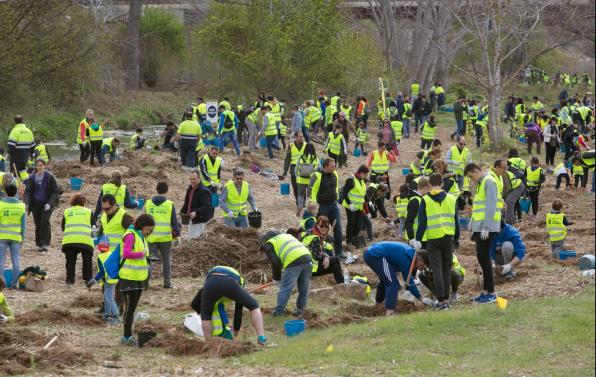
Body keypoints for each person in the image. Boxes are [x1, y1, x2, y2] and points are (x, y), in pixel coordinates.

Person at [411, 173, 459, 310]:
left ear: (430, 185)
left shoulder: (425, 200)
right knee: (446, 269)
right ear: (442, 184)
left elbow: (422, 222)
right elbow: (456, 221)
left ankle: (440, 300)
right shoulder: (451, 198)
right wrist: (457, 239)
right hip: (448, 237)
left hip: (433, 238)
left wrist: (418, 239)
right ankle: (447, 299)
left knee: (437, 269)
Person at [190, 266, 267, 344]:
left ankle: (209, 344)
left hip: (210, 282)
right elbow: (238, 312)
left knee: (206, 316)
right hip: (228, 282)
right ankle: (261, 337)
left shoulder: (206, 286)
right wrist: (235, 336)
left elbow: (196, 304)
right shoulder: (240, 282)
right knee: (253, 306)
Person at [464, 163, 501, 304]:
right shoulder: (481, 183)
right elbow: (479, 206)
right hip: (480, 228)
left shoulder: (488, 182)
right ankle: (486, 291)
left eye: (471, 176)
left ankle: (491, 292)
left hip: (486, 229)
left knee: (485, 260)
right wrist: (473, 223)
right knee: (481, 258)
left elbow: (491, 206)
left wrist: (487, 227)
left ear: (476, 171)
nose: (471, 179)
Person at [119, 214, 155, 346]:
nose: (149, 232)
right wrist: (141, 254)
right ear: (142, 225)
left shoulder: (141, 236)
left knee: (132, 308)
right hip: (129, 277)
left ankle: (128, 334)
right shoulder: (130, 235)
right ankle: (126, 337)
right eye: (148, 229)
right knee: (130, 308)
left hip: (139, 277)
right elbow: (126, 253)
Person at [364, 241, 424, 316]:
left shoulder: (410, 254)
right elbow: (409, 283)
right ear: (419, 259)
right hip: (376, 254)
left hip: (372, 252)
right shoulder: (407, 259)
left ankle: (378, 304)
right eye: (421, 265)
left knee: (385, 280)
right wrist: (421, 298)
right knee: (392, 283)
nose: (420, 268)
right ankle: (390, 312)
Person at [261, 231, 312, 317]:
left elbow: (275, 263)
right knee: (303, 287)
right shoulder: (285, 236)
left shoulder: (269, 244)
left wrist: (276, 278)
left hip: (294, 260)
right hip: (307, 257)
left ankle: (278, 312)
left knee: (285, 288)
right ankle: (301, 309)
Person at [146, 182, 180, 289]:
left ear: (156, 190)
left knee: (150, 260)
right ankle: (167, 283)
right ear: (167, 191)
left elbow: (144, 220)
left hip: (151, 237)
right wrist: (178, 235)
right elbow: (174, 222)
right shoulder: (170, 204)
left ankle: (145, 283)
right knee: (166, 260)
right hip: (165, 238)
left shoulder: (148, 203)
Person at [309, 158, 343, 257]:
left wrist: (337, 197)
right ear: (326, 166)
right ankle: (320, 252)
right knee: (320, 229)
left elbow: (336, 187)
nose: (334, 168)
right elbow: (311, 192)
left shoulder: (335, 174)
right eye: (332, 166)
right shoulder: (316, 175)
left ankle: (339, 252)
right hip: (322, 206)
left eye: (334, 166)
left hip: (333, 205)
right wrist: (313, 206)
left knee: (338, 228)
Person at [24, 159, 60, 252]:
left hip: (47, 204)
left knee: (45, 221)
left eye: (41, 165)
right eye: (38, 165)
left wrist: (50, 203)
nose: (39, 167)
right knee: (38, 223)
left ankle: (45, 243)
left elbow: (55, 191)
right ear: (36, 167)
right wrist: (27, 203)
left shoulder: (49, 177)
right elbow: (27, 192)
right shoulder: (31, 178)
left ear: (44, 166)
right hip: (35, 205)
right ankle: (39, 244)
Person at [298, 216, 345, 284]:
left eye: (326, 226)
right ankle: (342, 284)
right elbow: (316, 256)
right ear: (317, 225)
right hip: (310, 269)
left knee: (334, 263)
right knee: (335, 261)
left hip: (303, 267)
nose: (324, 228)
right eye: (322, 226)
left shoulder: (309, 232)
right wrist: (325, 257)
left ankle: (340, 283)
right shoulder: (315, 238)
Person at [60, 194, 94, 285]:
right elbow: (94, 227)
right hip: (85, 240)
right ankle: (88, 280)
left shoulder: (67, 211)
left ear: (72, 201)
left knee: (70, 262)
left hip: (69, 240)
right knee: (87, 261)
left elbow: (63, 227)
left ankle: (70, 281)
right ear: (84, 202)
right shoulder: (89, 212)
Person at [0, 185, 25, 289]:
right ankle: (14, 284)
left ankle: (1, 284)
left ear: (5, 192)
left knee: (1, 260)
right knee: (16, 260)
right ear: (15, 192)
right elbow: (23, 225)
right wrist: (22, 237)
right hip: (16, 237)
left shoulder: (1, 204)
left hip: (2, 236)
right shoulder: (21, 206)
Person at [341, 165, 369, 245]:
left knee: (358, 224)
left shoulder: (362, 181)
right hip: (350, 206)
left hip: (359, 207)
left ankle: (354, 240)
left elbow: (363, 194)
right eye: (366, 174)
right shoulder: (351, 180)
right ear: (361, 173)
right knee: (351, 223)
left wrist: (369, 201)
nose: (366, 176)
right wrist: (350, 204)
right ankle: (349, 241)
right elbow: (344, 193)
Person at [180, 170, 213, 239]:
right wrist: (182, 212)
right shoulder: (190, 188)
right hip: (191, 219)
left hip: (199, 220)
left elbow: (207, 206)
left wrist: (196, 212)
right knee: (191, 238)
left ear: (199, 178)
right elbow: (187, 202)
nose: (192, 181)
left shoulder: (204, 191)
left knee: (195, 240)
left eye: (194, 179)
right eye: (190, 179)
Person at [281, 132, 306, 207]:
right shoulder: (291, 145)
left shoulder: (306, 145)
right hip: (293, 169)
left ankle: (303, 201)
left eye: (302, 137)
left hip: (303, 169)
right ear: (295, 137)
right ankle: (298, 201)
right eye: (299, 137)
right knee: (295, 187)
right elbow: (287, 159)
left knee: (303, 186)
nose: (301, 138)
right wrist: (285, 171)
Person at [404, 177, 429, 247]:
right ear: (425, 187)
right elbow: (409, 220)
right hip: (416, 238)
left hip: (422, 237)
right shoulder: (415, 201)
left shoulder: (420, 199)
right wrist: (411, 238)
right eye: (429, 189)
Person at [8, 115, 34, 181]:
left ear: (15, 122)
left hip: (16, 158)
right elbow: (33, 146)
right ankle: (26, 184)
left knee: (15, 174)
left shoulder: (14, 131)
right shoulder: (29, 131)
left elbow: (11, 146)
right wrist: (30, 155)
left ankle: (17, 188)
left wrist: (11, 156)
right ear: (23, 120)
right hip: (25, 157)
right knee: (23, 171)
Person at [295, 143, 318, 217]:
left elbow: (296, 169)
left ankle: (300, 206)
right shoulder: (315, 159)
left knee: (300, 195)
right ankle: (309, 210)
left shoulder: (301, 157)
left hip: (301, 179)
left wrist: (297, 177)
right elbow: (318, 169)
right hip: (311, 180)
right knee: (309, 196)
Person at [502, 159, 525, 224]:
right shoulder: (495, 176)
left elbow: (505, 188)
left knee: (509, 201)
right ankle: (507, 218)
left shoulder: (504, 174)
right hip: (512, 188)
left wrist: (502, 197)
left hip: (518, 186)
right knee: (506, 202)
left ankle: (509, 221)